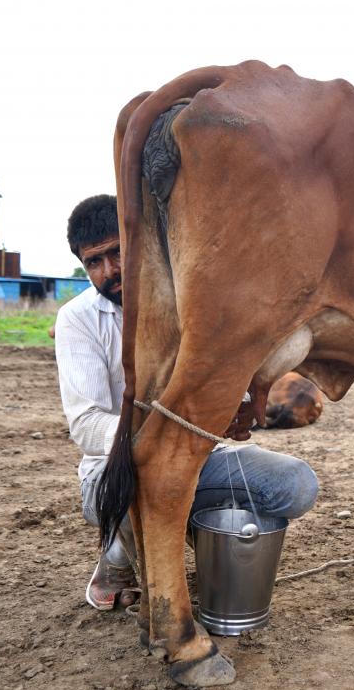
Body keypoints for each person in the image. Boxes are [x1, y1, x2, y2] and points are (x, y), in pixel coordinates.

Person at [55, 193, 319, 611]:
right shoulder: (78, 319)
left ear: (139, 243)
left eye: (116, 253)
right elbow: (86, 425)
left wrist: (237, 406)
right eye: (94, 262)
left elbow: (220, 378)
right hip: (114, 473)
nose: (109, 271)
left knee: (296, 485)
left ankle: (190, 533)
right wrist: (163, 438)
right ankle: (118, 556)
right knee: (134, 482)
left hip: (197, 462)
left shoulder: (188, 304)